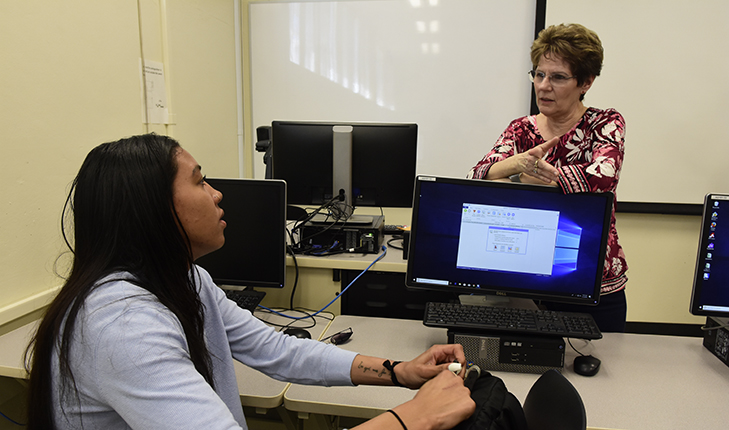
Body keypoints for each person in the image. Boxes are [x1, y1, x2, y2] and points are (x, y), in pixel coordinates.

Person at [25, 134, 475, 430]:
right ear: (154, 210)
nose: (217, 193)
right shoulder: (121, 326)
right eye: (200, 182)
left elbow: (276, 350)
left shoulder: (187, 279)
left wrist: (399, 372)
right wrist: (414, 418)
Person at [467, 23, 628, 332]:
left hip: (592, 283)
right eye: (539, 75)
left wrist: (522, 178)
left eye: (557, 77)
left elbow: (603, 177)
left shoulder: (605, 123)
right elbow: (477, 177)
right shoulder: (520, 129)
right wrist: (519, 166)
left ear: (586, 82)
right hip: (525, 282)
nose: (543, 86)